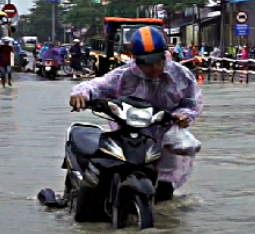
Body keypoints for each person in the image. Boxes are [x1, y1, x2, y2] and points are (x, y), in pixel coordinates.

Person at [69, 25, 202, 203]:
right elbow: (97, 85)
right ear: (137, 60)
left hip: (164, 134)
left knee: (164, 189)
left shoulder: (181, 75)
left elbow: (190, 102)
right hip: (129, 135)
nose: (154, 68)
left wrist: (183, 115)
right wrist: (81, 93)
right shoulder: (124, 75)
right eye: (148, 63)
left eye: (158, 61)